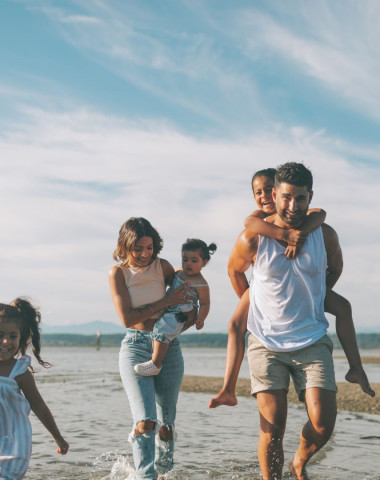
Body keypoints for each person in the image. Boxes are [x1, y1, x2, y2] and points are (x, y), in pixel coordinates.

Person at [209, 167, 374, 410]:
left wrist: (316, 292)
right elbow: (246, 231)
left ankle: (356, 367)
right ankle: (228, 388)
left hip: (305, 292)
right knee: (235, 325)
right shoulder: (256, 220)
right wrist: (283, 237)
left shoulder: (309, 219)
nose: (264, 196)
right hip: (265, 292)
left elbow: (320, 214)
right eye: (259, 192)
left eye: (268, 190)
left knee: (343, 306)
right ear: (277, 195)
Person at [108, 217, 196, 480]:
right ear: (125, 246)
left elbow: (189, 296)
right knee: (146, 422)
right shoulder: (118, 273)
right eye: (138, 249)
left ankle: (164, 473)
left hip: (169, 347)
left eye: (150, 248)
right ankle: (145, 475)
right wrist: (166, 301)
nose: (145, 254)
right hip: (135, 346)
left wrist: (188, 318)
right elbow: (128, 318)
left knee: (165, 425)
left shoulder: (164, 267)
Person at [0, 298, 69, 480]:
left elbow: (38, 406)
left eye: (13, 336)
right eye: (0, 335)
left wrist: (57, 436)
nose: (6, 341)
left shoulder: (19, 371)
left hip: (13, 445)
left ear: (21, 337)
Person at [134, 238, 216, 376]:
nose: (188, 263)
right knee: (158, 328)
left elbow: (205, 303)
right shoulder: (178, 273)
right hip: (168, 307)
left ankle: (155, 364)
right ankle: (155, 356)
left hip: (180, 313)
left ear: (204, 262)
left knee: (162, 330)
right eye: (185, 259)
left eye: (194, 261)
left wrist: (201, 318)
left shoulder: (201, 284)